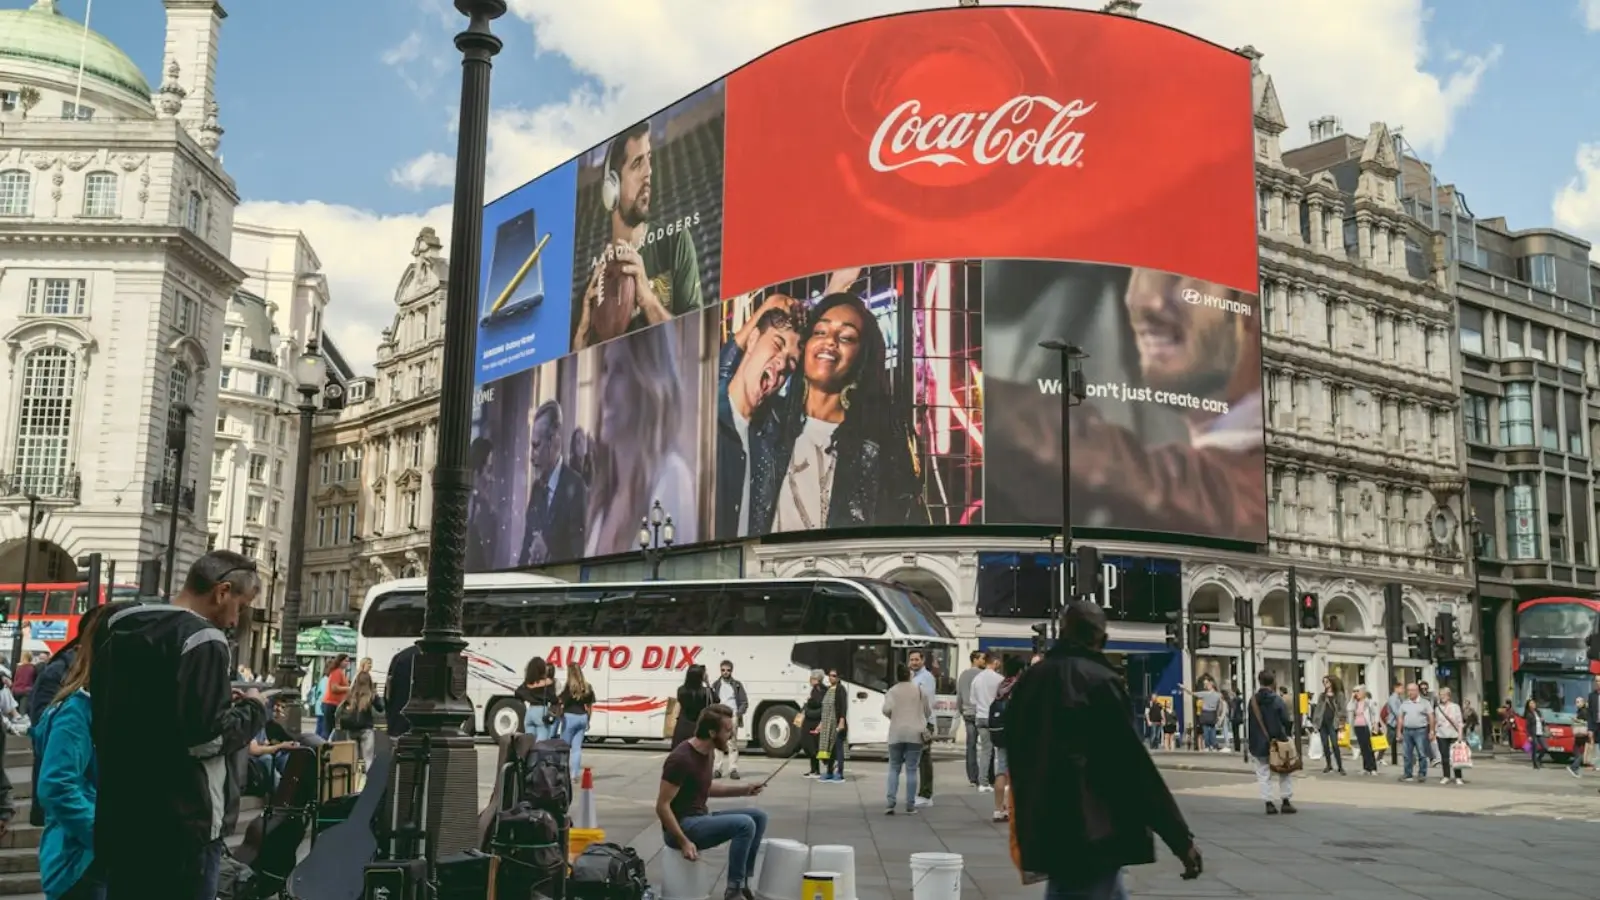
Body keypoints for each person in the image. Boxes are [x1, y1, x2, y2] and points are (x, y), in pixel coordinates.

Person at [91, 550, 269, 899]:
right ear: (222, 592)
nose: (237, 619)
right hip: (184, 825)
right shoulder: (204, 639)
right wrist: (254, 708)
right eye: (242, 606)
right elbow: (206, 738)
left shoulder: (120, 624)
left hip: (121, 811)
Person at [1008, 600, 1202, 897]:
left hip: (1046, 824)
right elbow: (1132, 765)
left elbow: (1017, 750)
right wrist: (1179, 838)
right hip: (1094, 829)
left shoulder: (1031, 680)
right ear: (1103, 638)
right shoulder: (1100, 682)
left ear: (1061, 631)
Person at [762, 290, 925, 534]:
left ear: (862, 357)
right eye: (820, 332)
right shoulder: (768, 422)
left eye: (847, 337)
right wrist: (769, 306)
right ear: (805, 345)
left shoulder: (879, 443)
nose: (830, 341)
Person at [574, 119, 704, 350]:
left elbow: (695, 346)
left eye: (649, 160)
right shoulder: (591, 288)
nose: (648, 173)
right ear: (611, 188)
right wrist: (581, 343)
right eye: (637, 164)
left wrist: (649, 301)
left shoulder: (674, 242)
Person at [584, 326, 699, 556]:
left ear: (646, 380)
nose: (604, 392)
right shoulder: (603, 501)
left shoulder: (671, 479)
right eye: (606, 369)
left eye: (621, 370)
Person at [34, 603, 115, 900]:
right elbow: (56, 786)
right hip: (81, 864)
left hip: (101, 859)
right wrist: (105, 836)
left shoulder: (109, 707)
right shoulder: (76, 712)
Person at [656, 705, 765, 900]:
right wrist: (684, 842)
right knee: (744, 824)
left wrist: (745, 789)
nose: (731, 736)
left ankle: (744, 882)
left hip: (699, 818)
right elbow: (662, 806)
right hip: (681, 827)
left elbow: (704, 787)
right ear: (712, 732)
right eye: (727, 731)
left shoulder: (709, 752)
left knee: (758, 817)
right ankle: (734, 890)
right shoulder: (680, 759)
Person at [716, 293, 802, 540]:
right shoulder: (704, 418)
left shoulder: (771, 437)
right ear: (752, 340)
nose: (781, 363)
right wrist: (767, 305)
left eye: (791, 364)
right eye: (777, 344)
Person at [519, 400, 589, 566]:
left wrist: (548, 555)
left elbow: (580, 556)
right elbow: (524, 554)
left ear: (554, 442)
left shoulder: (576, 487)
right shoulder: (536, 490)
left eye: (536, 446)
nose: (531, 457)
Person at [881, 664, 930, 815]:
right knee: (911, 770)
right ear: (909, 675)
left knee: (894, 768)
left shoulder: (892, 691)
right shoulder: (919, 690)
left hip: (896, 733)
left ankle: (890, 803)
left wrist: (895, 716)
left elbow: (886, 710)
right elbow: (927, 711)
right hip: (915, 734)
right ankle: (910, 804)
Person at [1246, 670, 1296, 815]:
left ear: (1259, 681)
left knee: (1263, 773)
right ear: (1273, 682)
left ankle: (1269, 803)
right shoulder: (1277, 700)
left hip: (1258, 742)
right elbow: (1286, 720)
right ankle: (1286, 801)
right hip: (1278, 740)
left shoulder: (1253, 700)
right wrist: (1286, 735)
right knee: (1284, 771)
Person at [988, 656, 1025, 824]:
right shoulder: (1020, 686)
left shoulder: (1002, 685)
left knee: (1001, 770)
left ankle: (998, 809)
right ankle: (1012, 810)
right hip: (1016, 733)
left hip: (1000, 732)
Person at [334, 671, 384, 769]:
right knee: (368, 759)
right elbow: (380, 708)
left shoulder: (351, 693)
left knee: (352, 759)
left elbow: (341, 709)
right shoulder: (370, 694)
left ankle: (353, 781)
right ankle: (369, 781)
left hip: (351, 729)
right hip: (366, 730)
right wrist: (375, 694)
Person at [970, 655, 1003, 794]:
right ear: (995, 662)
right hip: (995, 718)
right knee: (1000, 750)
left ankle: (982, 782)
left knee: (985, 750)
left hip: (980, 716)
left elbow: (973, 700)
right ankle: (998, 779)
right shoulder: (999, 679)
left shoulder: (976, 679)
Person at [908, 649, 936, 806]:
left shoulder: (926, 678)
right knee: (919, 759)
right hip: (916, 721)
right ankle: (923, 793)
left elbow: (928, 702)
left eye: (916, 659)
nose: (913, 662)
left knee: (925, 758)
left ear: (923, 660)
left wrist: (925, 724)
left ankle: (926, 795)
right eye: (911, 660)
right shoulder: (914, 677)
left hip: (925, 722)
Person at [713, 660, 749, 780]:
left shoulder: (737, 685)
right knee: (718, 743)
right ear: (720, 670)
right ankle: (717, 769)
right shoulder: (716, 685)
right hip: (719, 716)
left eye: (728, 670)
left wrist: (738, 714)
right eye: (723, 670)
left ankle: (733, 769)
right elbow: (712, 701)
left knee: (732, 743)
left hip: (732, 716)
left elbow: (744, 702)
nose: (725, 672)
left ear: (731, 671)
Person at [957, 651, 987, 786]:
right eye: (982, 659)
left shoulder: (963, 675)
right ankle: (985, 776)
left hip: (967, 712)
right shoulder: (982, 675)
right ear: (975, 659)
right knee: (987, 745)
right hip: (980, 712)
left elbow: (959, 695)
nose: (984, 661)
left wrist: (961, 710)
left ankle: (972, 777)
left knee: (971, 745)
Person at [560, 662, 595, 775]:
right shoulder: (587, 687)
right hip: (582, 717)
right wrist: (588, 720)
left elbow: (561, 703)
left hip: (569, 717)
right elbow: (589, 706)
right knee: (577, 748)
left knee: (564, 747)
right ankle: (574, 774)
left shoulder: (568, 687)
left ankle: (563, 773)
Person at [815, 669, 848, 782]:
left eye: (833, 676)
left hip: (836, 723)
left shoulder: (840, 689)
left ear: (838, 678)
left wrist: (841, 721)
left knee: (838, 748)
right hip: (827, 724)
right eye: (829, 675)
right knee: (830, 749)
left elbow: (843, 706)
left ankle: (839, 773)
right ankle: (829, 772)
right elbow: (825, 709)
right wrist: (821, 724)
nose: (830, 677)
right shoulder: (829, 689)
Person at [1397, 683, 1434, 782]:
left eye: (1412, 690)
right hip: (1407, 730)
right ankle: (1407, 773)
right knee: (1406, 754)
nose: (1410, 692)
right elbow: (1400, 718)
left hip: (1420, 730)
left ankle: (1422, 773)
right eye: (1408, 690)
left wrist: (1431, 730)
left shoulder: (1425, 703)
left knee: (1422, 753)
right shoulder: (1405, 703)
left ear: (1417, 691)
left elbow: (1431, 717)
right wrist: (1399, 732)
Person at [518, 657, 560, 741]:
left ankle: (528, 754)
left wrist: (530, 698)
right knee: (541, 742)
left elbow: (518, 693)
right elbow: (553, 699)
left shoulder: (528, 682)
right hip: (541, 710)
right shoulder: (548, 682)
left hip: (530, 711)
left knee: (529, 741)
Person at [383, 642, 420, 738]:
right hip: (418, 723)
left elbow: (388, 692)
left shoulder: (400, 656)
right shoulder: (430, 655)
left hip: (397, 718)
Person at [672, 665, 713, 748]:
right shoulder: (705, 692)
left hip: (682, 726)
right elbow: (716, 700)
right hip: (698, 726)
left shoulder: (681, 690)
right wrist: (708, 683)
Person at [1313, 675, 1346, 775]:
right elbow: (1318, 710)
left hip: (1333, 722)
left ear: (1332, 682)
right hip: (1322, 722)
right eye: (1324, 682)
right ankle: (1328, 765)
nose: (1325, 684)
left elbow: (1342, 709)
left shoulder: (1339, 695)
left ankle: (1340, 766)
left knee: (1335, 745)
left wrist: (1341, 722)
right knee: (1325, 745)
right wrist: (1315, 723)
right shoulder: (1322, 696)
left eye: (1327, 681)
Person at [1179, 677, 1224, 751]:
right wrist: (1219, 715)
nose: (1206, 686)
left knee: (1205, 730)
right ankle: (1214, 745)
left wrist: (1184, 688)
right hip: (1212, 714)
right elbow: (1221, 705)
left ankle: (1207, 746)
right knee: (1212, 730)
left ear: (1210, 686)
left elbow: (1191, 693)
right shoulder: (1218, 695)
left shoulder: (1204, 694)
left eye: (1207, 685)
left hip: (1205, 713)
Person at [1433, 687, 1466, 785]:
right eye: (1441, 695)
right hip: (1441, 734)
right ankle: (1446, 776)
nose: (1442, 697)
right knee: (1444, 757)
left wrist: (1460, 735)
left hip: (1453, 734)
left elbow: (1460, 722)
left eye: (1444, 695)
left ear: (1449, 696)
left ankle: (1458, 777)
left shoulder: (1455, 707)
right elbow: (1436, 721)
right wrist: (1434, 732)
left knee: (1455, 757)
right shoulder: (1437, 708)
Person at [1348, 687, 1381, 775]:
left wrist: (1375, 724)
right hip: (1357, 726)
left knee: (1369, 748)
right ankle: (1366, 767)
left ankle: (1373, 768)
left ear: (1363, 692)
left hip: (1366, 726)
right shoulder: (1355, 703)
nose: (1356, 693)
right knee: (1362, 748)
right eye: (1354, 691)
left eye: (1357, 691)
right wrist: (1352, 698)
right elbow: (1349, 708)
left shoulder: (1369, 702)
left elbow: (1375, 713)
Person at [800, 670, 826, 778]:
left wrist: (808, 703)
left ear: (816, 679)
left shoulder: (818, 689)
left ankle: (817, 768)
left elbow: (817, 702)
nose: (810, 680)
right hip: (816, 719)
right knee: (814, 745)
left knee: (810, 745)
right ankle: (815, 769)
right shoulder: (822, 688)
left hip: (813, 721)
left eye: (811, 678)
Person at [318, 654, 350, 741]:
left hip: (333, 704)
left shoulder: (340, 672)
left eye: (348, 661)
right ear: (340, 661)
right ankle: (323, 748)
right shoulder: (337, 672)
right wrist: (349, 688)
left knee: (331, 728)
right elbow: (334, 688)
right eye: (345, 661)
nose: (348, 663)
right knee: (328, 729)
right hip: (331, 704)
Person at [1524, 698, 1549, 769]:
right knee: (1535, 749)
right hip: (1533, 733)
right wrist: (1529, 736)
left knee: (1545, 748)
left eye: (1533, 703)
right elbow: (1527, 726)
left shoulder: (1538, 712)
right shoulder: (1529, 714)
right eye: (1531, 703)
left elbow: (1542, 722)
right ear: (1528, 706)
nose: (1533, 704)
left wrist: (1543, 721)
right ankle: (1535, 764)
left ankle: (1539, 759)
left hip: (1540, 732)